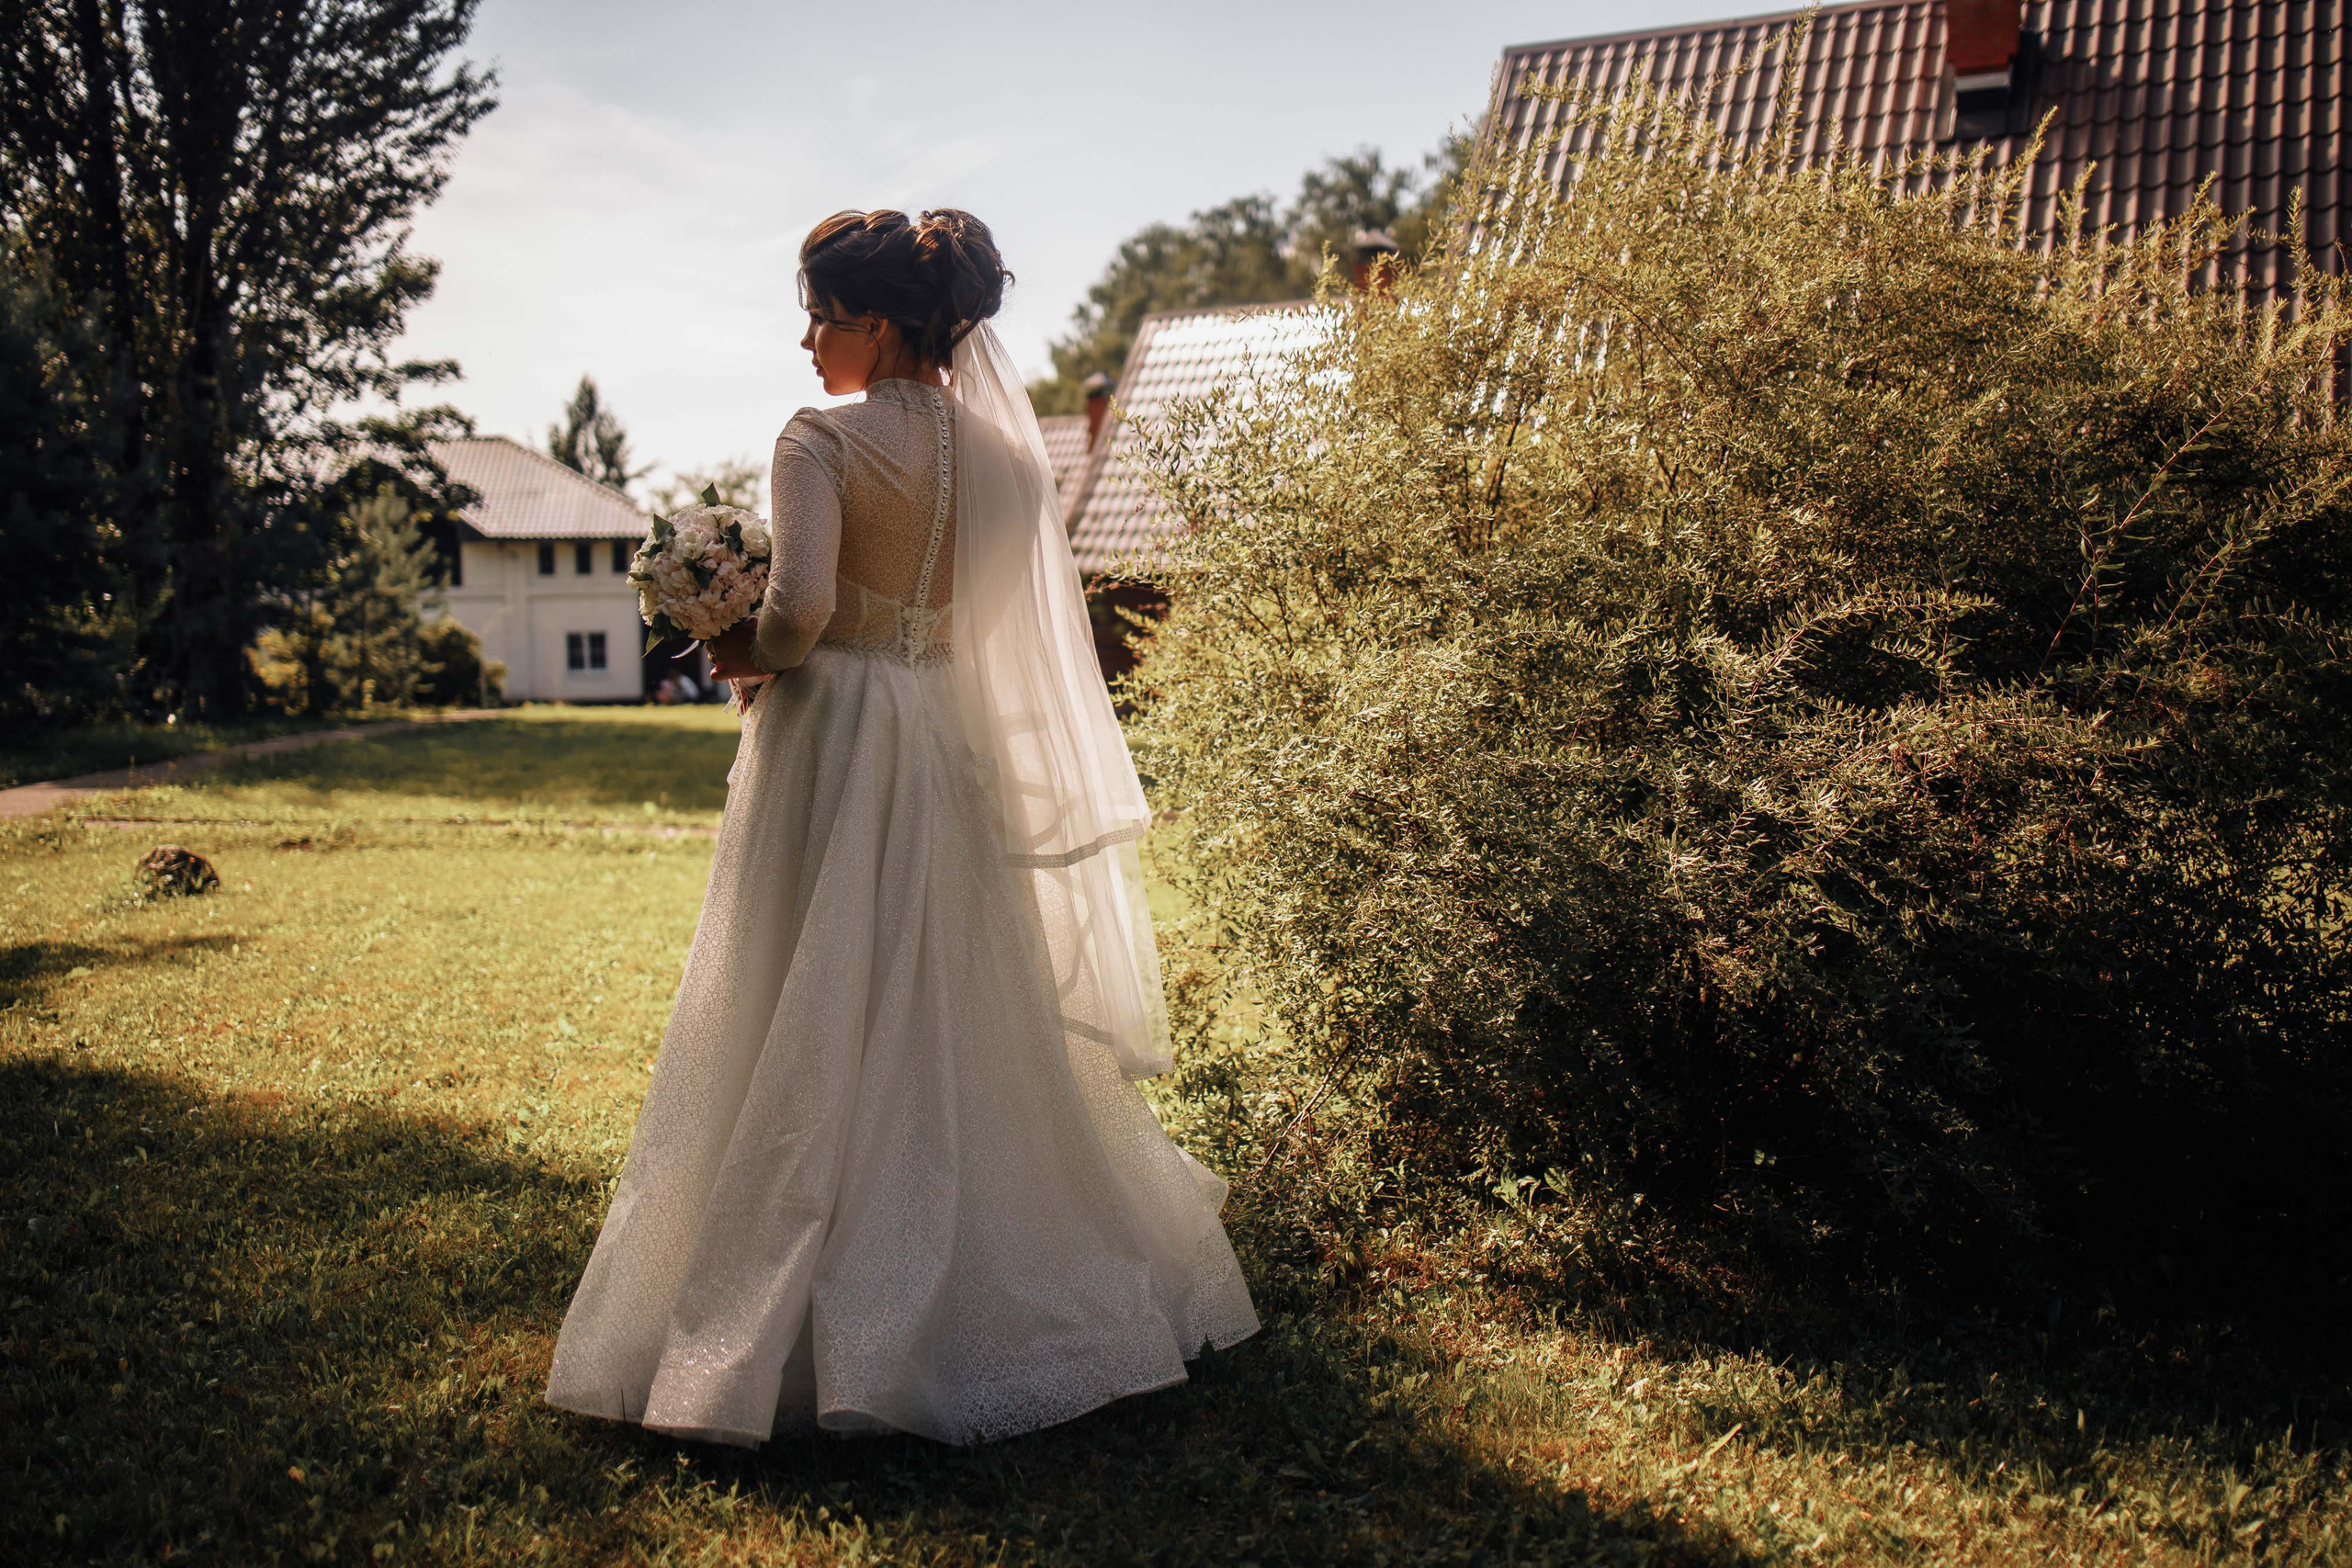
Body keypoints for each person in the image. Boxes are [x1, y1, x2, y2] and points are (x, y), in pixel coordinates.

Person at [543, 209, 1258, 1448]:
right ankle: (991, 1273)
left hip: (834, 735)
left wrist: (734, 640)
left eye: (820, 310)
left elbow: (804, 613)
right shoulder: (1015, 462)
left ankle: (794, 1319)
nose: (807, 336)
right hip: (942, 734)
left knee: (795, 985)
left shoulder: (817, 437)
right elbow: (994, 629)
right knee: (954, 996)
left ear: (877, 321)